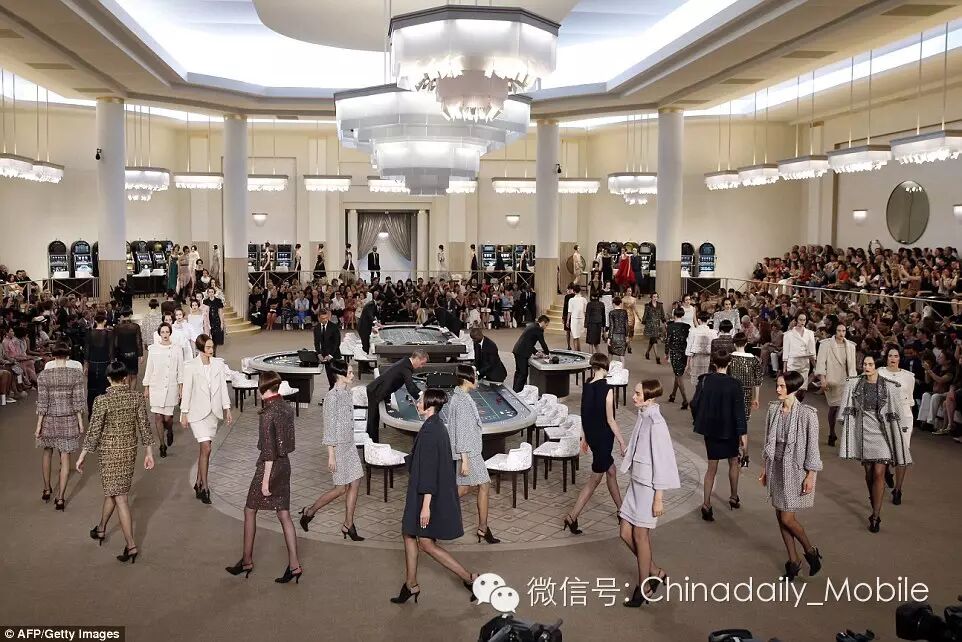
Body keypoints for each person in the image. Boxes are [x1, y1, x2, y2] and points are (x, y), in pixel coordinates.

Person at [391, 388, 477, 605]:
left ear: (429, 405)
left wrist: (425, 506)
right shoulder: (436, 425)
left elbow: (429, 470)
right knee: (410, 534)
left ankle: (470, 578)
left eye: (420, 400)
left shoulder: (430, 431)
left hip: (424, 495)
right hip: (424, 491)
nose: (417, 402)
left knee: (425, 542)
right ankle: (411, 583)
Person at [226, 371, 302, 584]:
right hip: (285, 465)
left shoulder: (267, 414)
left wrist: (265, 481)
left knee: (250, 509)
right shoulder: (286, 407)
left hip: (270, 467)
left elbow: (269, 451)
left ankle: (247, 561)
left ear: (264, 388)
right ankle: (295, 565)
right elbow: (288, 443)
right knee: (284, 514)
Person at [76, 360, 155, 563]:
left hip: (109, 453)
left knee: (120, 496)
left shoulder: (101, 401)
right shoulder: (136, 397)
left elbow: (94, 431)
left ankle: (131, 545)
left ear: (109, 379)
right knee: (114, 491)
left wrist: (82, 456)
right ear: (126, 378)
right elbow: (145, 426)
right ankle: (101, 528)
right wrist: (149, 453)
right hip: (129, 452)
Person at [618, 379, 678, 607]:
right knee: (625, 532)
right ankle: (655, 571)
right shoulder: (644, 415)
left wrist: (658, 498)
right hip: (636, 483)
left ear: (649, 397)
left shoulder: (657, 423)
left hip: (648, 488)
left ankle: (644, 587)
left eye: (637, 393)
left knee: (640, 536)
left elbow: (662, 461)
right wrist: (629, 452)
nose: (633, 396)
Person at [760, 371, 823, 582]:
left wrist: (810, 475)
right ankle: (793, 561)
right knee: (780, 516)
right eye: (777, 385)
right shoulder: (774, 409)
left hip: (795, 470)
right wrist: (765, 469)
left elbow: (813, 449)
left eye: (782, 386)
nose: (777, 389)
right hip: (776, 467)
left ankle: (810, 551)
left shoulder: (807, 414)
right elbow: (768, 442)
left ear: (793, 389)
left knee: (787, 517)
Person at [838, 354, 912, 533]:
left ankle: (876, 516)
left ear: (876, 366)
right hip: (864, 432)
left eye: (870, 364)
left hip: (882, 433)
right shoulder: (854, 383)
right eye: (865, 364)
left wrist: (901, 428)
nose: (867, 367)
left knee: (879, 473)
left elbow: (897, 409)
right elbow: (846, 407)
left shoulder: (889, 386)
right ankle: (874, 497)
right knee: (870, 474)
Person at [298, 360, 365, 540]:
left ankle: (348, 524)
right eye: (349, 373)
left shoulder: (347, 393)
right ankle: (309, 511)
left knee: (356, 481)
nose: (352, 375)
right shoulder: (331, 398)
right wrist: (331, 456)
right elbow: (329, 428)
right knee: (341, 489)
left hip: (350, 445)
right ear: (339, 375)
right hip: (339, 448)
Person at [562, 353, 627, 535]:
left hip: (593, 436)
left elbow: (584, 413)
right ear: (606, 368)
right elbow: (611, 420)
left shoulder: (588, 385)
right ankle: (572, 516)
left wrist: (585, 437)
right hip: (604, 438)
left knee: (610, 471)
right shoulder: (608, 389)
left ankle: (621, 511)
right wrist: (622, 442)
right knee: (595, 479)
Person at [691, 349, 748, 521]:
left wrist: (699, 420)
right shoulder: (735, 384)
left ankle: (706, 504)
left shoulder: (704, 380)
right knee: (733, 462)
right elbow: (739, 412)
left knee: (711, 468)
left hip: (711, 429)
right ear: (730, 363)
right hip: (730, 429)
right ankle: (733, 496)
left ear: (713, 363)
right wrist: (743, 435)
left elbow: (694, 403)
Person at [446, 365, 499, 544]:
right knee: (483, 485)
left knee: (464, 489)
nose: (477, 379)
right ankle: (482, 528)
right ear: (466, 379)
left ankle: (434, 510)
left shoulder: (461, 396)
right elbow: (461, 432)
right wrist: (465, 460)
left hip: (469, 451)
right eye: (475, 376)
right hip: (469, 453)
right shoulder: (461, 401)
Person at [180, 334, 233, 504]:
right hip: (197, 413)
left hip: (213, 414)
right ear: (201, 349)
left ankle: (197, 482)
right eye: (208, 347)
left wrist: (227, 409)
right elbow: (187, 391)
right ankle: (205, 487)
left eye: (212, 347)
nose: (211, 350)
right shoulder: (190, 366)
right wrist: (184, 413)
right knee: (207, 448)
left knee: (204, 450)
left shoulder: (218, 364)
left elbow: (223, 388)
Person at [35, 342, 86, 510]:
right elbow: (78, 402)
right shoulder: (76, 375)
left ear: (53, 355)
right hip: (69, 419)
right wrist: (80, 423)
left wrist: (39, 425)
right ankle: (61, 498)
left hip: (49, 419)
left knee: (47, 452)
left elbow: (42, 403)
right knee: (65, 458)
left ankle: (46, 488)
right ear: (68, 355)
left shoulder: (44, 375)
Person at [879, 345, 916, 505]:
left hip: (904, 416)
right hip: (884, 415)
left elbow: (910, 399)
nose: (893, 359)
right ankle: (887, 470)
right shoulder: (879, 373)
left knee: (903, 453)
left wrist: (908, 419)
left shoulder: (909, 376)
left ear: (900, 358)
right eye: (890, 355)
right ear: (886, 357)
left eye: (896, 356)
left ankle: (898, 490)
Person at [142, 322, 185, 459]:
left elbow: (181, 370)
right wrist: (146, 387)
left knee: (168, 417)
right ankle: (162, 445)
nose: (165, 334)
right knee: (158, 417)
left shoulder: (177, 349)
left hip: (171, 387)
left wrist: (181, 388)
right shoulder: (153, 349)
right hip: (156, 386)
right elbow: (149, 369)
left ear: (170, 333)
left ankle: (170, 430)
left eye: (167, 332)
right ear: (159, 334)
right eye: (163, 332)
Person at [366, 350, 429, 441]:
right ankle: (371, 442)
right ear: (417, 358)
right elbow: (410, 387)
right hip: (375, 391)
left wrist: (421, 393)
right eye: (422, 363)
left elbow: (410, 384)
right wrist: (422, 396)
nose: (421, 366)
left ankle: (372, 441)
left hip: (378, 390)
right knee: (373, 420)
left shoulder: (405, 362)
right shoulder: (406, 367)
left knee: (374, 419)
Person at [813, 322, 856, 446]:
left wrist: (853, 381)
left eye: (843, 331)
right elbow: (821, 363)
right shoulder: (825, 345)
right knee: (834, 408)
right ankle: (832, 432)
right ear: (835, 331)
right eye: (839, 331)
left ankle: (846, 438)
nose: (841, 333)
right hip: (831, 380)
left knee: (847, 409)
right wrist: (822, 379)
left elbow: (852, 366)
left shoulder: (851, 346)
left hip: (846, 381)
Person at [729, 332, 762, 424]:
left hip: (730, 392)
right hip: (747, 393)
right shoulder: (754, 360)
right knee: (743, 418)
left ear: (734, 344)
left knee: (730, 417)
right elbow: (758, 381)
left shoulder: (729, 358)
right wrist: (756, 398)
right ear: (746, 344)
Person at [511, 315, 550, 393]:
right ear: (542, 322)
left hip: (518, 350)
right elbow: (543, 343)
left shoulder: (532, 325)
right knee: (523, 374)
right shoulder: (539, 329)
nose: (546, 327)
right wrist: (548, 354)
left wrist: (536, 352)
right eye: (546, 325)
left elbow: (528, 341)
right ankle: (517, 393)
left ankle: (514, 391)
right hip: (522, 352)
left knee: (518, 372)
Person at [84, 312, 113, 416]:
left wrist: (85, 365)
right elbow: (111, 351)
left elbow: (87, 350)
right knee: (105, 389)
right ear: (105, 321)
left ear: (95, 321)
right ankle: (105, 412)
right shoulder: (109, 333)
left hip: (92, 364)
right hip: (105, 364)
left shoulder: (89, 332)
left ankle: (91, 412)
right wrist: (112, 364)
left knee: (92, 389)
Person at [665, 307, 691, 409]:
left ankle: (685, 400)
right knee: (678, 373)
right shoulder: (687, 326)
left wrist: (666, 353)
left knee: (678, 375)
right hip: (684, 352)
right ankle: (673, 395)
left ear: (674, 315)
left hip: (675, 352)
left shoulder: (670, 326)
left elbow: (668, 340)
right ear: (683, 315)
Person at [782, 311, 816, 384]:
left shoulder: (810, 333)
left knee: (803, 387)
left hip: (805, 364)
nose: (802, 322)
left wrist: (815, 366)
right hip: (792, 363)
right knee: (793, 386)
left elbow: (812, 351)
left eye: (804, 320)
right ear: (796, 320)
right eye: (800, 320)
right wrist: (784, 369)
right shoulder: (788, 334)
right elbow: (785, 353)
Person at [113, 310, 143, 389]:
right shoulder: (136, 326)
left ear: (122, 315)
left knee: (125, 375)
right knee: (134, 376)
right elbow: (138, 341)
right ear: (130, 315)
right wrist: (140, 354)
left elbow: (115, 343)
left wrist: (115, 355)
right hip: (133, 354)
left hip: (121, 354)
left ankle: (126, 392)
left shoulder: (117, 327)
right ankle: (132, 393)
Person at [313, 309, 341, 390]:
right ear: (318, 318)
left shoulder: (334, 327)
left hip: (334, 355)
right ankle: (332, 390)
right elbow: (316, 343)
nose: (325, 320)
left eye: (326, 318)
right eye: (322, 318)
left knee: (336, 377)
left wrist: (330, 355)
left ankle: (337, 391)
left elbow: (337, 343)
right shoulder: (316, 328)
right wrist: (319, 354)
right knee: (329, 376)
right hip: (324, 356)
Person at [685, 311, 714, 387]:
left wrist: (687, 364)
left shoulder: (693, 331)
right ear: (708, 320)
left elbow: (689, 348)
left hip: (696, 358)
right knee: (707, 381)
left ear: (698, 320)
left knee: (697, 382)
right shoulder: (713, 332)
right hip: (709, 358)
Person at [641, 293, 666, 364]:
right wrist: (644, 322)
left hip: (656, 325)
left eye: (656, 297)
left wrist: (664, 322)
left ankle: (647, 352)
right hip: (650, 325)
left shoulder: (660, 305)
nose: (655, 298)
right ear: (651, 297)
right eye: (654, 297)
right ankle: (657, 357)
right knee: (654, 339)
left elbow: (662, 315)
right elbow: (645, 315)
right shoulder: (647, 306)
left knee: (652, 340)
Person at [607, 296, 628, 362]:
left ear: (613, 303)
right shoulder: (624, 312)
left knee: (610, 353)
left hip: (614, 335)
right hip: (622, 335)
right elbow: (626, 325)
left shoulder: (611, 313)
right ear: (620, 303)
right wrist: (627, 336)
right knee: (621, 355)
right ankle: (622, 368)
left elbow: (611, 326)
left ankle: (609, 367)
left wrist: (609, 338)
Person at [567, 285, 587, 352]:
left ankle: (576, 353)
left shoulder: (571, 300)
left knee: (575, 337)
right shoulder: (584, 299)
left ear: (573, 291)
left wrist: (567, 321)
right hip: (582, 319)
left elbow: (569, 311)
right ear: (580, 290)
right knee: (577, 337)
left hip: (574, 320)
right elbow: (585, 311)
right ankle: (579, 351)